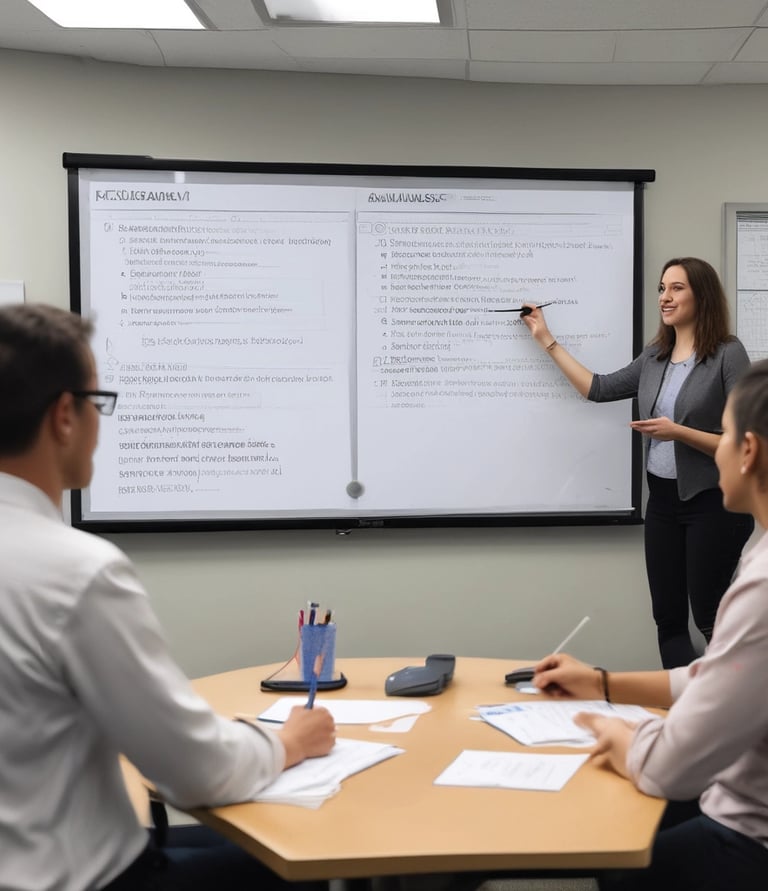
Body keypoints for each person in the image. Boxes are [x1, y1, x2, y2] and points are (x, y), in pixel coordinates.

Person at [0, 303, 336, 890]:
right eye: (97, 403)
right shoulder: (76, 571)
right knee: (311, 859)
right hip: (79, 877)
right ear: (64, 417)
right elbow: (196, 774)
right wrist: (286, 742)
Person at [529, 358, 768, 890]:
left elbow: (669, 770)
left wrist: (613, 729)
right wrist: (604, 684)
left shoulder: (762, 585)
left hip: (750, 837)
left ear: (748, 451)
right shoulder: (759, 545)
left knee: (616, 848)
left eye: (724, 434)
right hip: (737, 798)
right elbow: (722, 675)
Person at [522, 257, 754, 667]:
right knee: (667, 619)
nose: (665, 297)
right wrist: (546, 339)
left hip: (712, 503)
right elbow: (598, 388)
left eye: (677, 288)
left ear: (703, 295)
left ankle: (729, 715)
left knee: (710, 619)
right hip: (663, 502)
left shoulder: (727, 355)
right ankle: (682, 715)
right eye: (663, 288)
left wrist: (678, 432)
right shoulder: (655, 357)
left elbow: (745, 441)